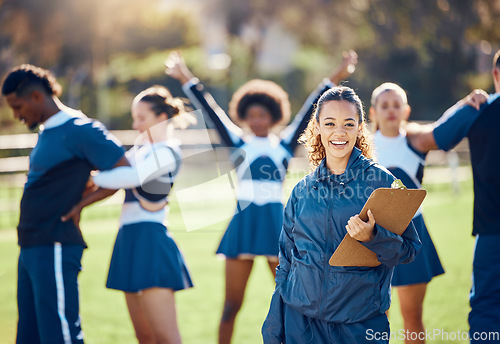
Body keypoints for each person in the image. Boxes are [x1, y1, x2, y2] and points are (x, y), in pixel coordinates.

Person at [165, 50, 358, 344]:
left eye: (263, 115)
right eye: (252, 115)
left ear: (273, 115)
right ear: (244, 116)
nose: (257, 120)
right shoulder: (237, 142)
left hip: (277, 227)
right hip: (242, 227)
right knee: (231, 306)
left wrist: (337, 75)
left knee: (292, 303)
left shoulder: (284, 144)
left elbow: (311, 106)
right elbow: (210, 108)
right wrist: (184, 77)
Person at [261, 85, 422, 344]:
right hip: (301, 325)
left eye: (348, 124)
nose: (339, 132)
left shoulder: (383, 183)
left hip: (359, 325)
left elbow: (409, 250)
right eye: (330, 123)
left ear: (360, 127)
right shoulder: (302, 191)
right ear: (318, 127)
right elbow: (286, 264)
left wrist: (375, 237)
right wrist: (273, 326)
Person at [1, 64, 127, 344]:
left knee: (60, 337)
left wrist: (83, 203)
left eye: (17, 106)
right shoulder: (48, 131)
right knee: (30, 337)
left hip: (55, 243)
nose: (16, 115)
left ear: (36, 97)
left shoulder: (79, 129)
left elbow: (125, 170)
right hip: (32, 245)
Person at [62, 86, 194, 344]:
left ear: (161, 118)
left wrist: (90, 177)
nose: (135, 125)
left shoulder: (168, 151)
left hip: (151, 240)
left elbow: (131, 177)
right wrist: (78, 202)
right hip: (128, 238)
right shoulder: (141, 150)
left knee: (167, 338)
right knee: (144, 337)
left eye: (141, 118)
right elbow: (114, 180)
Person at [405, 50, 499, 343]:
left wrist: (462, 105)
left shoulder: (479, 109)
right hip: (491, 230)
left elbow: (430, 138)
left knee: (487, 309)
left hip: (493, 231)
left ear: (495, 75)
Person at [369, 82, 445, 344]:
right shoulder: (363, 147)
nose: (391, 110)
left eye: (396, 105)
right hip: (373, 238)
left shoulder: (417, 142)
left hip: (412, 234)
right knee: (375, 318)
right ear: (373, 112)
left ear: (406, 110)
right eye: (384, 105)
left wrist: (471, 102)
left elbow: (448, 128)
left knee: (412, 318)